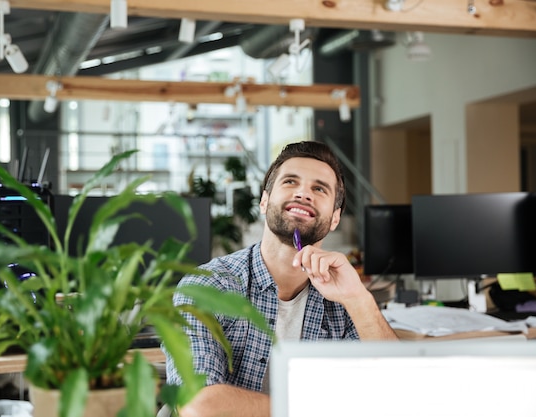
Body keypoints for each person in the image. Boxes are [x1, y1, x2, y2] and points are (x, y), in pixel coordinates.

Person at [164, 141, 398, 417]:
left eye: (319, 188)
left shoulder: (344, 299)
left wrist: (358, 298)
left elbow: (395, 386)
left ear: (335, 218)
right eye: (290, 181)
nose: (303, 193)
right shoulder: (207, 287)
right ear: (264, 201)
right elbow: (198, 405)